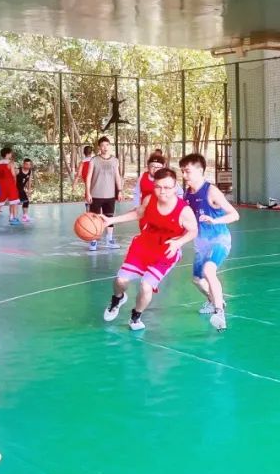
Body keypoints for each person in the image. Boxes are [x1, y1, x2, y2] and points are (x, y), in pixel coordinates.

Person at [100, 168, 197, 331]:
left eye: (167, 187)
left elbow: (193, 231)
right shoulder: (150, 199)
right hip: (143, 246)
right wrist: (111, 220)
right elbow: (138, 213)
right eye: (158, 187)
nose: (162, 191)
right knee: (120, 281)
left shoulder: (184, 210)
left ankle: (136, 315)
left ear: (175, 187)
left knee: (146, 286)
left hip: (166, 252)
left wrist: (178, 243)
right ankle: (118, 298)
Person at [180, 153, 240, 331]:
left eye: (187, 171)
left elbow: (234, 215)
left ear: (200, 171)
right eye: (182, 171)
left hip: (219, 239)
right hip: (201, 244)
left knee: (208, 270)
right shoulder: (187, 193)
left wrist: (215, 221)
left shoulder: (211, 191)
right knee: (197, 280)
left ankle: (219, 313)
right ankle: (214, 299)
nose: (184, 175)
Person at [85, 136, 121, 251]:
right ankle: (93, 240)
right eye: (102, 145)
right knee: (94, 219)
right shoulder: (94, 160)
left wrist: (120, 191)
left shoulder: (115, 160)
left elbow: (117, 176)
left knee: (109, 217)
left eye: (107, 145)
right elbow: (88, 177)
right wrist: (88, 192)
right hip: (95, 194)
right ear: (99, 147)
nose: (105, 147)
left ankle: (109, 240)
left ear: (109, 146)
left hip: (110, 195)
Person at [0, 147, 22, 225]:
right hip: (10, 185)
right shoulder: (10, 163)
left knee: (0, 202)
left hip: (2, 186)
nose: (11, 154)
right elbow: (13, 174)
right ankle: (14, 219)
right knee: (14, 203)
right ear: (8, 154)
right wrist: (16, 172)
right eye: (10, 153)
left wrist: (0, 181)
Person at [15, 158, 34, 223]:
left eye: (29, 164)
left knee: (26, 201)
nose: (28, 166)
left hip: (21, 189)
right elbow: (11, 179)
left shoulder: (30, 171)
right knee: (14, 203)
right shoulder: (17, 170)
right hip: (14, 189)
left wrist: (29, 190)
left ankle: (25, 216)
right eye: (26, 164)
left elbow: (29, 181)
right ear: (23, 164)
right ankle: (14, 217)